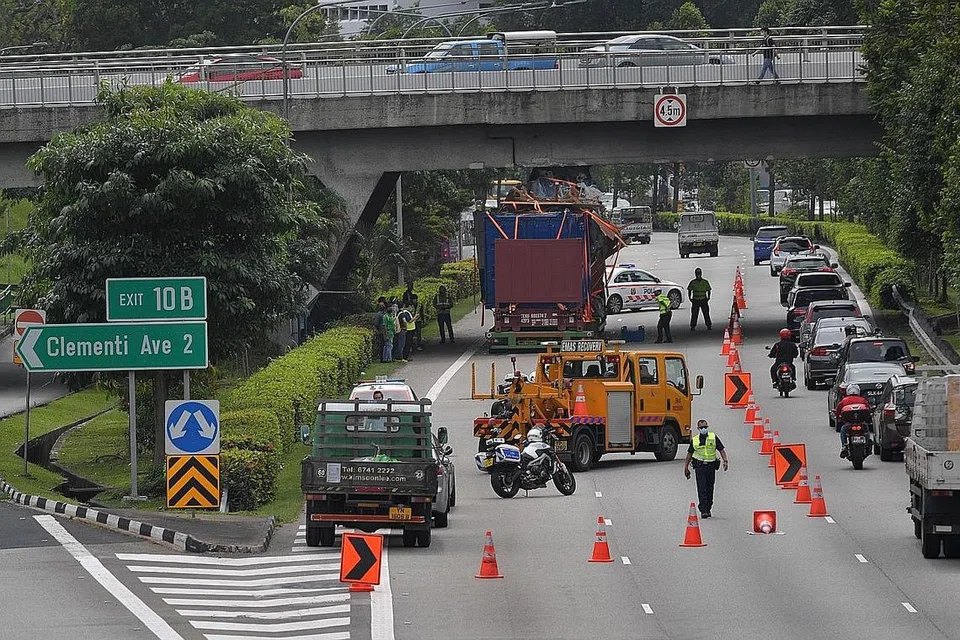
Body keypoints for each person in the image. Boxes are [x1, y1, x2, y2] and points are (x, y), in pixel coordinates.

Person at [683, 419, 729, 519]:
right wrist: (686, 467)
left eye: (705, 427)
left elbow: (721, 450)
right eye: (701, 427)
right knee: (701, 488)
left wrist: (725, 461)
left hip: (711, 466)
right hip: (700, 467)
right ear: (698, 428)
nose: (703, 429)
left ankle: (708, 508)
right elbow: (689, 454)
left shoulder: (713, 437)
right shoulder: (695, 440)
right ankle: (703, 510)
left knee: (710, 488)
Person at [836, 383, 870, 459]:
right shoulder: (863, 400)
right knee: (866, 429)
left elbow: (838, 411)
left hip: (849, 424)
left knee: (843, 430)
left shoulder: (844, 401)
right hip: (861, 424)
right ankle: (867, 443)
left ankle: (844, 445)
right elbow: (868, 410)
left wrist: (838, 417)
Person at [401, 281, 423, 350]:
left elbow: (421, 312)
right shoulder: (406, 295)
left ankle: (418, 345)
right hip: (412, 320)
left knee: (418, 333)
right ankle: (411, 346)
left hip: (418, 320)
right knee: (412, 334)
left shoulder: (419, 304)